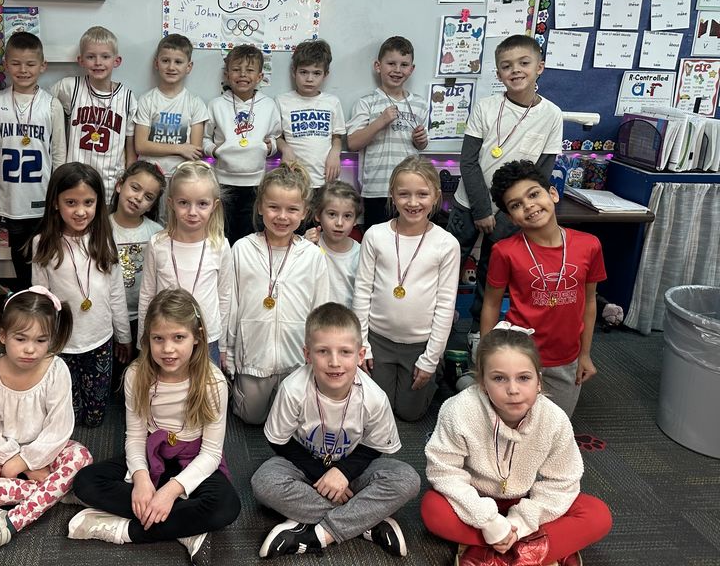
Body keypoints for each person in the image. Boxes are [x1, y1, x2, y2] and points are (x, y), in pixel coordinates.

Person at [68, 289, 241, 565]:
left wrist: (170, 492)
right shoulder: (137, 375)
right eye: (158, 339)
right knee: (85, 482)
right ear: (147, 339)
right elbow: (135, 438)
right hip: (152, 456)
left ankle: (127, 531)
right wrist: (141, 479)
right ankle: (185, 527)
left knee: (227, 505)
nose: (168, 349)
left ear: (197, 336)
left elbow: (211, 454)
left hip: (194, 460)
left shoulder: (213, 382)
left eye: (178, 338)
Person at [422, 323, 612, 566]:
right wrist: (489, 522)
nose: (513, 390)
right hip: (475, 499)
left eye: (524, 378)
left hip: (525, 500)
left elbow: (564, 481)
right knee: (432, 509)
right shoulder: (458, 411)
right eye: (499, 378)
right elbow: (443, 471)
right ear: (482, 383)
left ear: (539, 382)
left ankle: (491, 552)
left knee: (597, 515)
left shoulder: (554, 419)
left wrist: (521, 524)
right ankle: (534, 551)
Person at [252, 303, 419, 559]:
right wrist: (323, 474)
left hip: (352, 471)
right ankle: (367, 522)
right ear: (307, 354)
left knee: (407, 479)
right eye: (323, 351)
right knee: (263, 482)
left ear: (360, 355)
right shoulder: (293, 389)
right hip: (304, 470)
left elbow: (374, 447)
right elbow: (280, 442)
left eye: (345, 352)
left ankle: (317, 533)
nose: (334, 362)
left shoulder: (374, 397)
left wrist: (342, 472)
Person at [0, 286, 92, 563]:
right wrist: (15, 460)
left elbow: (59, 428)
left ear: (51, 340)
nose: (30, 349)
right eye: (21, 338)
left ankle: (8, 523)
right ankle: (56, 492)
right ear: (3, 335)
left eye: (41, 340)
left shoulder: (56, 370)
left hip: (46, 451)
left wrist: (29, 460)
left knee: (81, 456)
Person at [447, 35, 563, 324]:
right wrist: (482, 209)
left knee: (492, 272)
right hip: (468, 204)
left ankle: (478, 329)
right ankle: (438, 325)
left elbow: (542, 173)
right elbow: (469, 161)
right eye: (507, 66)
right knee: (447, 266)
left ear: (540, 67)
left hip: (511, 212)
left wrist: (511, 213)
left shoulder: (551, 115)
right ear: (498, 74)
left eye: (524, 63)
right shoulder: (486, 108)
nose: (516, 70)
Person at [483, 160, 605, 418]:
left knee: (555, 426)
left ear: (552, 193)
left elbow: (590, 302)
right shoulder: (504, 252)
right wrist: (487, 358)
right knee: (511, 421)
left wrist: (585, 354)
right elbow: (491, 304)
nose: (528, 206)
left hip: (566, 359)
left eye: (534, 194)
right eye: (516, 205)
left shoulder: (589, 245)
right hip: (517, 354)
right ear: (509, 217)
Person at [353, 156, 460, 421]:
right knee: (378, 411)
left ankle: (438, 370)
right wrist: (362, 343)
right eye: (404, 194)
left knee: (409, 413)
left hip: (419, 344)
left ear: (435, 196)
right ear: (392, 195)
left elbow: (446, 305)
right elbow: (362, 291)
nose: (413, 203)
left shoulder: (446, 244)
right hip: (379, 340)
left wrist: (430, 358)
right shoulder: (375, 235)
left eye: (422, 194)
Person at [230, 162, 331, 424]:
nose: (282, 216)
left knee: (292, 421)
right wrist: (228, 353)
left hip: (297, 359)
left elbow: (322, 310)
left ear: (304, 212)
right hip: (252, 357)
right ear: (260, 206)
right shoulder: (242, 249)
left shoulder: (312, 256)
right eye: (274, 207)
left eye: (292, 209)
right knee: (251, 419)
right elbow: (230, 304)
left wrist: (318, 356)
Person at [31, 162, 131, 427]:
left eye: (88, 202)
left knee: (95, 417)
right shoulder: (43, 243)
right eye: (71, 202)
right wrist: (41, 343)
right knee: (68, 415)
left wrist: (124, 336)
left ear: (98, 203)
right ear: (55, 203)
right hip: (62, 342)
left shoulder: (104, 239)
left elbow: (116, 293)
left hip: (99, 340)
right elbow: (40, 298)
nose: (80, 211)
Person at [0, 31, 65, 290]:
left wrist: (58, 193)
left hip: (41, 196)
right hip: (9, 195)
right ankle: (23, 296)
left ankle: (44, 297)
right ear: (6, 65)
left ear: (42, 66)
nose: (23, 70)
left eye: (30, 64)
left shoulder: (51, 105)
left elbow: (59, 154)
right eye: (16, 63)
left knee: (45, 254)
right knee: (19, 257)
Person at [138, 160, 234, 369]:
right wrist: (142, 342)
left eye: (202, 204)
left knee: (206, 397)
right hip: (166, 341)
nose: (192, 212)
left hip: (207, 340)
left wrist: (224, 346)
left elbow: (225, 298)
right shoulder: (158, 244)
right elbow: (147, 295)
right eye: (184, 203)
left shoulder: (220, 246)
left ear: (214, 206)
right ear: (171, 203)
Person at [347, 36, 429, 230]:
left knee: (407, 241)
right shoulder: (366, 102)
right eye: (391, 63)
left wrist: (421, 140)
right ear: (378, 66)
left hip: (410, 191)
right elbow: (353, 143)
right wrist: (380, 121)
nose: (397, 70)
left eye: (404, 65)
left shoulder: (420, 104)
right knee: (377, 245)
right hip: (376, 189)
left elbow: (422, 146)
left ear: (411, 69)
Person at [204, 43, 281, 243]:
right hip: (223, 183)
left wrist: (270, 146)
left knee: (250, 237)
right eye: (236, 70)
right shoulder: (216, 105)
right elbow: (204, 138)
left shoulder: (269, 105)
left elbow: (276, 137)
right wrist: (214, 150)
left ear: (260, 77)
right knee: (222, 235)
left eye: (249, 70)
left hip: (256, 184)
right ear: (227, 75)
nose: (243, 75)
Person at [52, 25, 136, 196]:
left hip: (111, 184)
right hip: (74, 182)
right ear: (81, 60)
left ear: (116, 61)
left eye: (105, 56)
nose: (98, 62)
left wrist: (129, 179)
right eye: (91, 57)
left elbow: (130, 149)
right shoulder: (69, 87)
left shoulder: (127, 98)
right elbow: (40, 103)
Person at [134, 34, 209, 179]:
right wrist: (180, 148)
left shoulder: (195, 104)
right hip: (149, 177)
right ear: (157, 64)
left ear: (189, 67)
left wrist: (184, 151)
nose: (171, 67)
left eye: (178, 62)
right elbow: (141, 145)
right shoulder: (147, 100)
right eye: (165, 61)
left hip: (181, 177)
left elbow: (194, 152)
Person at [276, 39, 346, 194]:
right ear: (294, 71)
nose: (309, 79)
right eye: (303, 72)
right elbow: (276, 136)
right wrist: (286, 149)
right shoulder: (282, 101)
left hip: (325, 181)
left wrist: (335, 154)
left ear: (325, 74)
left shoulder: (332, 102)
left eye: (316, 73)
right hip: (295, 180)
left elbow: (337, 137)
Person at [110, 160, 167, 347]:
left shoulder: (156, 233)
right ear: (119, 185)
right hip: (108, 317)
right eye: (135, 188)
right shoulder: (100, 228)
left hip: (144, 317)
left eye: (148, 196)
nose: (138, 198)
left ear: (151, 206)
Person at [305, 181, 362, 308]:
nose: (339, 223)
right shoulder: (311, 245)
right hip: (315, 319)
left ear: (355, 220)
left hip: (347, 321)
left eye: (347, 216)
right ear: (318, 215)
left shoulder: (360, 252)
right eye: (332, 214)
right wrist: (304, 246)